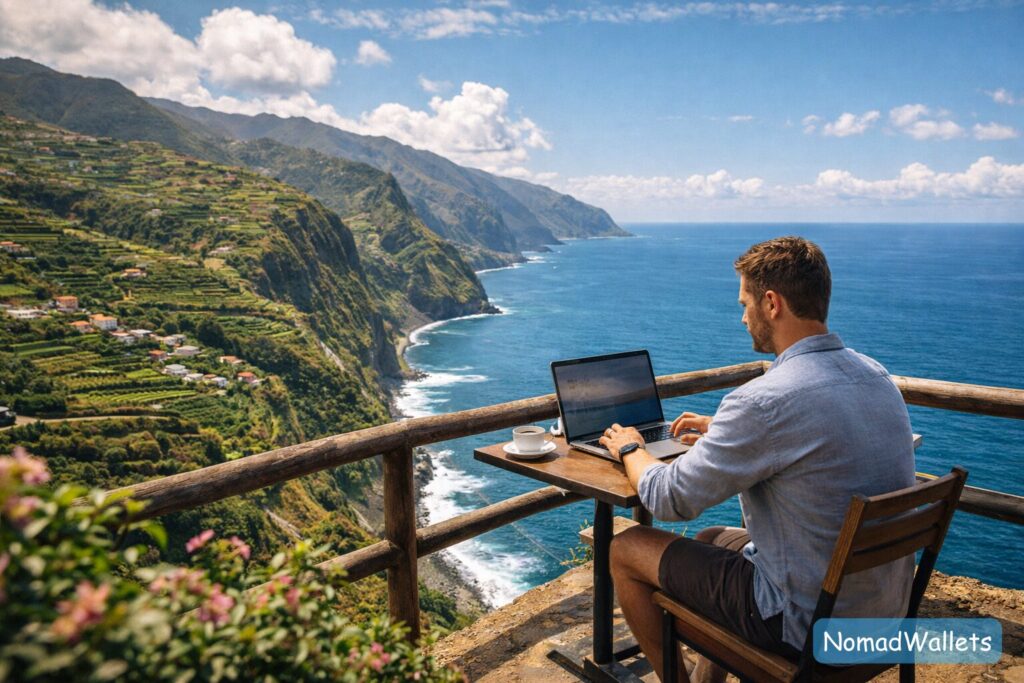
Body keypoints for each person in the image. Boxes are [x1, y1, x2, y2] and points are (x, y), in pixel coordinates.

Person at [599, 236, 916, 683]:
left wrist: (631, 447)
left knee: (626, 549)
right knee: (710, 537)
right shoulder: (877, 376)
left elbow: (668, 499)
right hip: (883, 616)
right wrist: (725, 432)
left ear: (772, 303)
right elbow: (816, 435)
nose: (742, 316)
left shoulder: (763, 402)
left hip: (803, 628)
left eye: (745, 302)